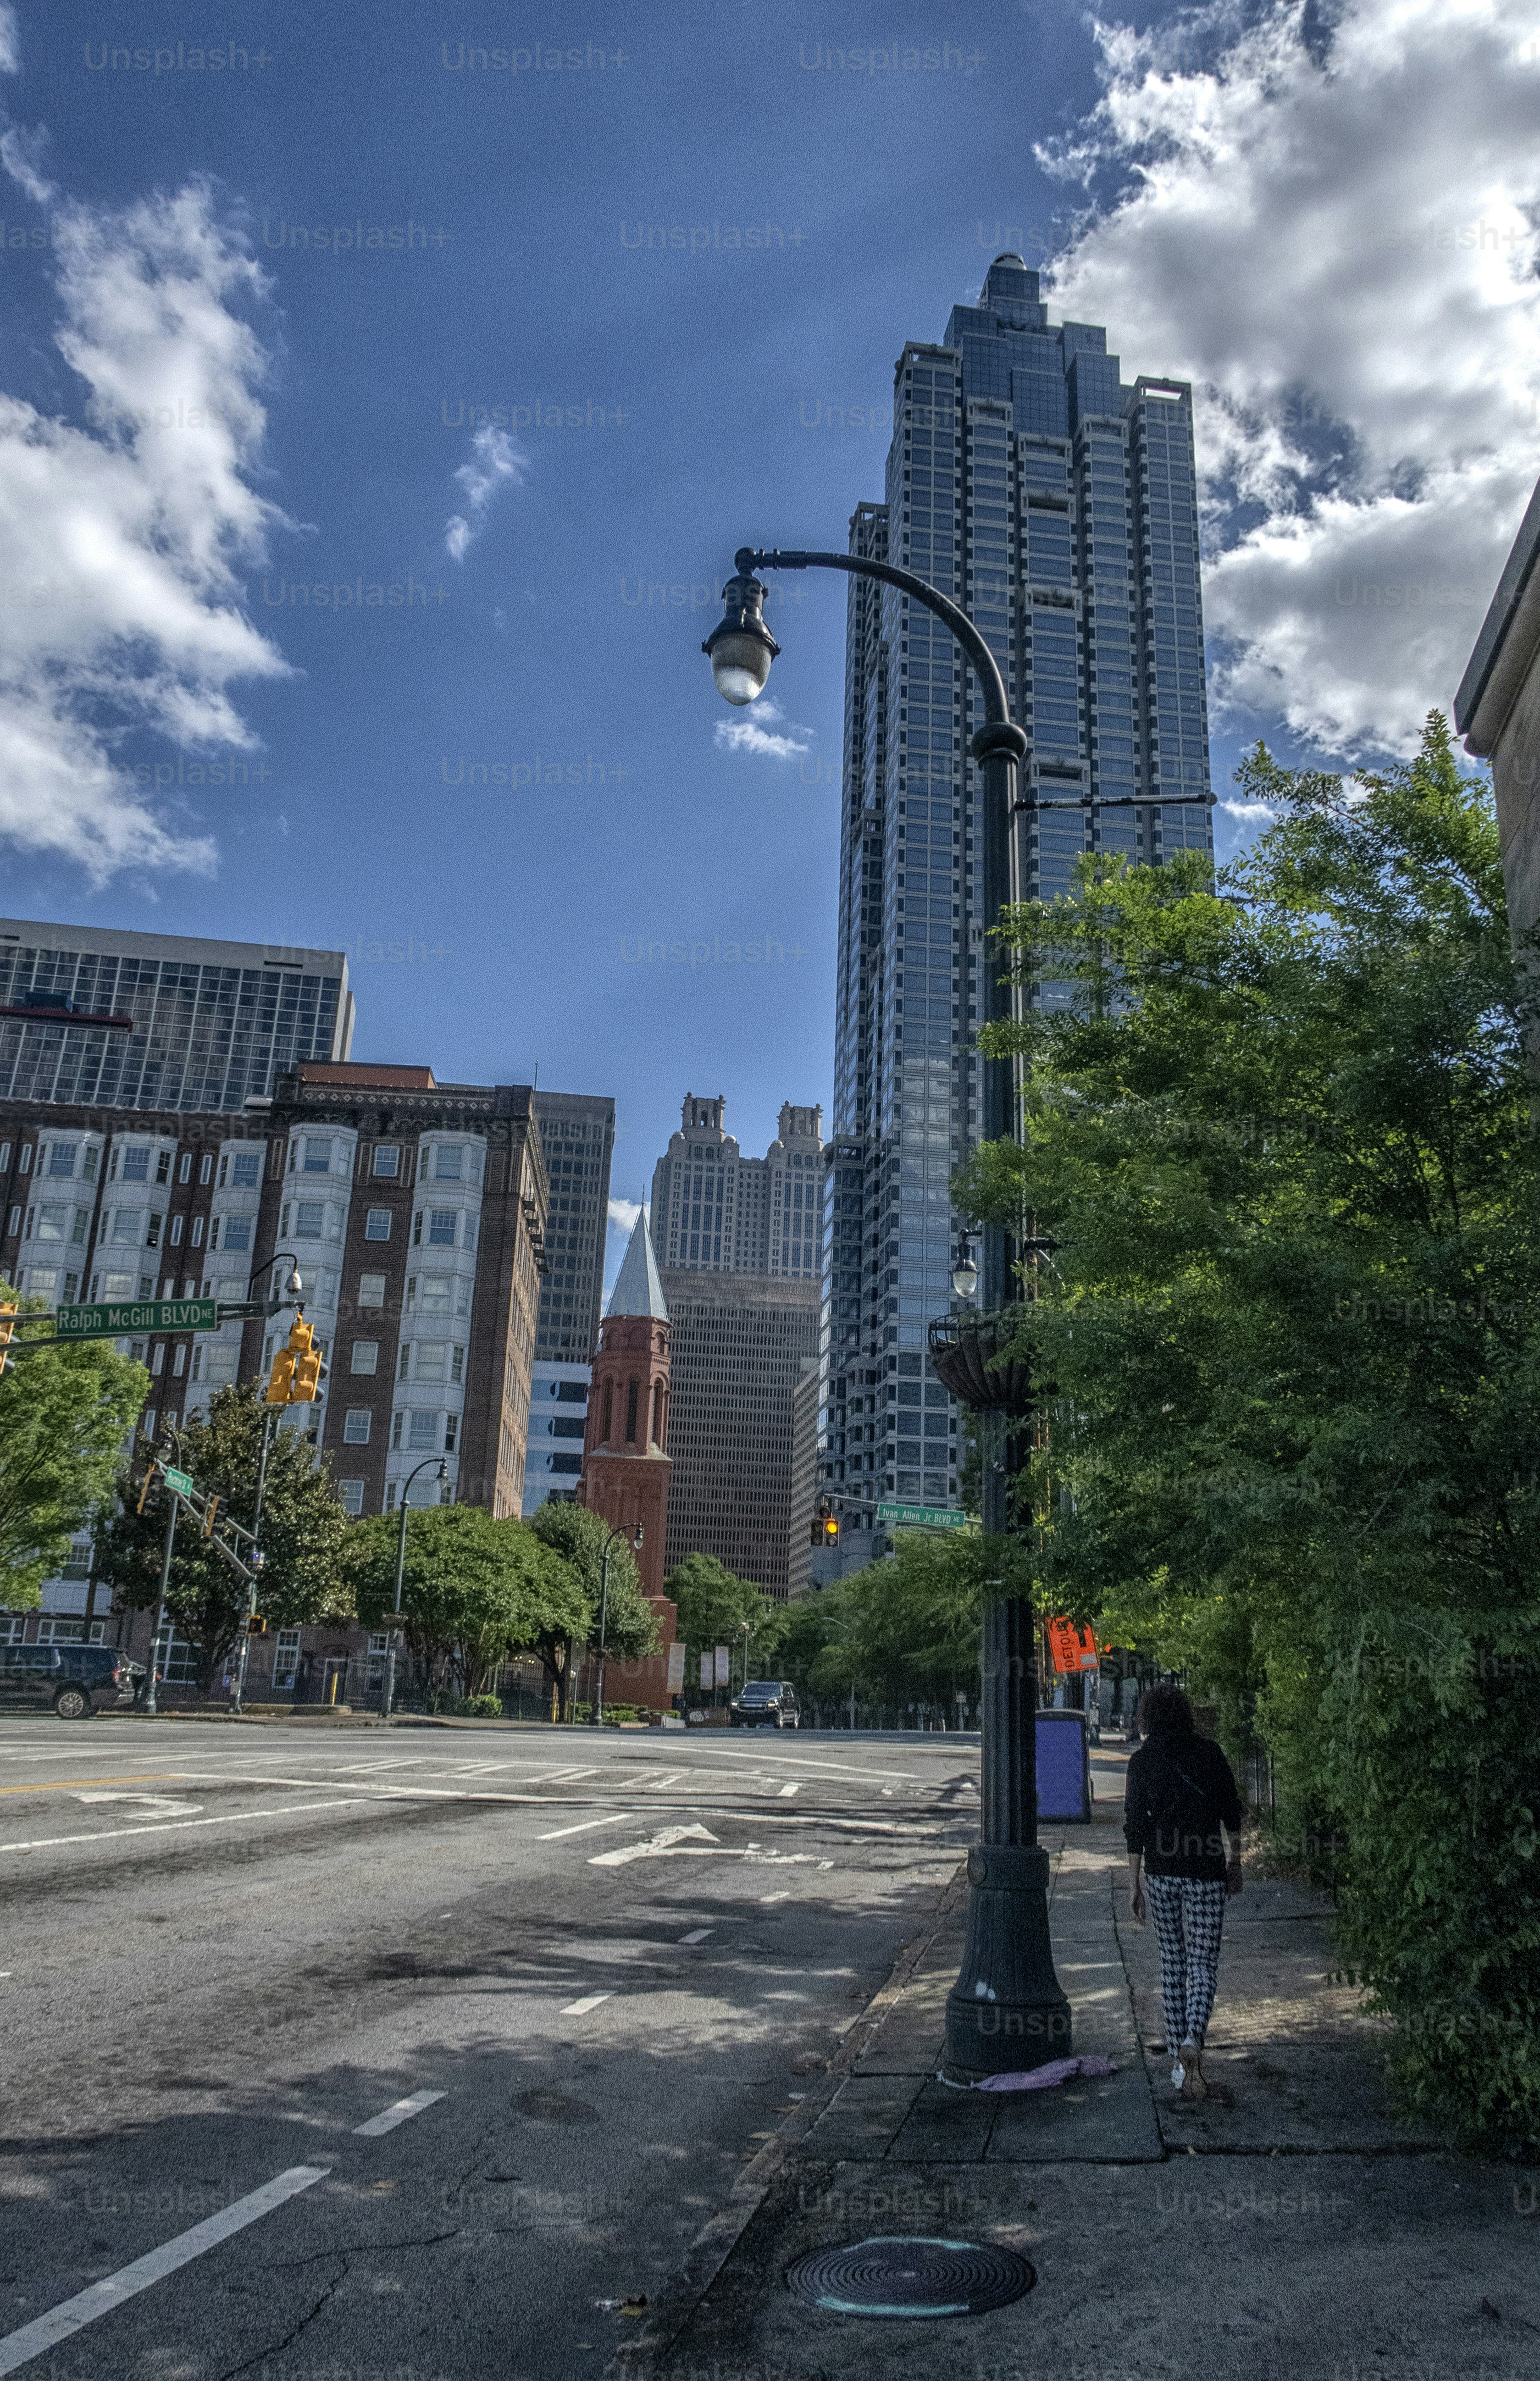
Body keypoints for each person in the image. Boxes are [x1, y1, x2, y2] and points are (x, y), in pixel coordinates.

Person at [1124, 1681, 1245, 2099]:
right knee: (1203, 1963)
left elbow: (1135, 1827)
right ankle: (1194, 2037)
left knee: (1172, 1963)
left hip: (1161, 1872)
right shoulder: (1210, 1754)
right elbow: (1232, 1813)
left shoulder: (1142, 1762)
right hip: (1206, 1871)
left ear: (1147, 1717)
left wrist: (1134, 1884)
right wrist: (1235, 1862)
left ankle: (1179, 2063)